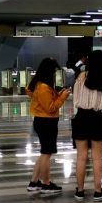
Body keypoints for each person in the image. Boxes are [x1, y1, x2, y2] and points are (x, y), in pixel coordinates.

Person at [70, 50, 102, 201]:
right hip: (98, 119)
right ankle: (97, 190)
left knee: (81, 157)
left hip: (81, 117)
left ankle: (80, 191)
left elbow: (75, 99)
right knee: (97, 158)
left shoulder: (81, 77)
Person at [25, 58, 71, 195]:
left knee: (44, 153)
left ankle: (34, 182)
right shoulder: (44, 87)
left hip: (42, 121)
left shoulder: (39, 85)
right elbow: (50, 107)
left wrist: (57, 94)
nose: (54, 74)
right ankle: (46, 184)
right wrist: (62, 97)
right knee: (46, 154)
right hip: (47, 122)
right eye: (54, 71)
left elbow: (46, 101)